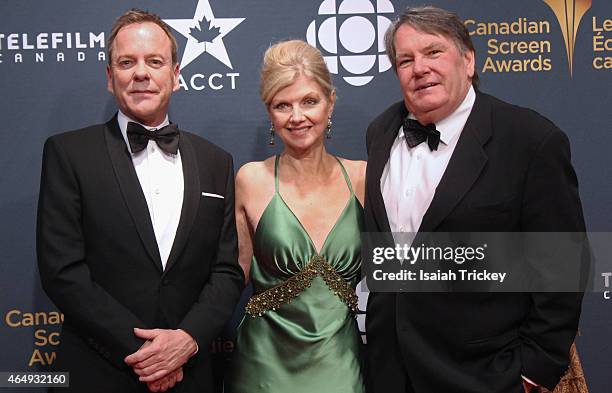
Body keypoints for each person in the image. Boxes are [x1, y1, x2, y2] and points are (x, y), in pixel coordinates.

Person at [364, 6, 586, 393]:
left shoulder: (530, 139)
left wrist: (533, 370)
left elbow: (564, 266)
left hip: (484, 373)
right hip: (390, 370)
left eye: (433, 52)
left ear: (468, 60)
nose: (419, 68)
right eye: (405, 60)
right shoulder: (381, 132)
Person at [36, 9, 243, 393]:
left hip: (191, 373)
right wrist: (146, 354)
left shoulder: (217, 161)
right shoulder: (69, 154)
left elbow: (227, 271)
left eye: (155, 61)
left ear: (176, 75)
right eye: (127, 62)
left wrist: (185, 341)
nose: (141, 73)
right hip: (97, 372)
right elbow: (63, 273)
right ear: (109, 77)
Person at [224, 40, 366, 393]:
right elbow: (229, 278)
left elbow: (403, 267)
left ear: (330, 102)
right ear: (269, 112)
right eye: (282, 105)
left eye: (309, 101)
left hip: (341, 363)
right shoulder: (251, 179)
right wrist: (182, 332)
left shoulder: (364, 178)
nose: (297, 116)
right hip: (262, 367)